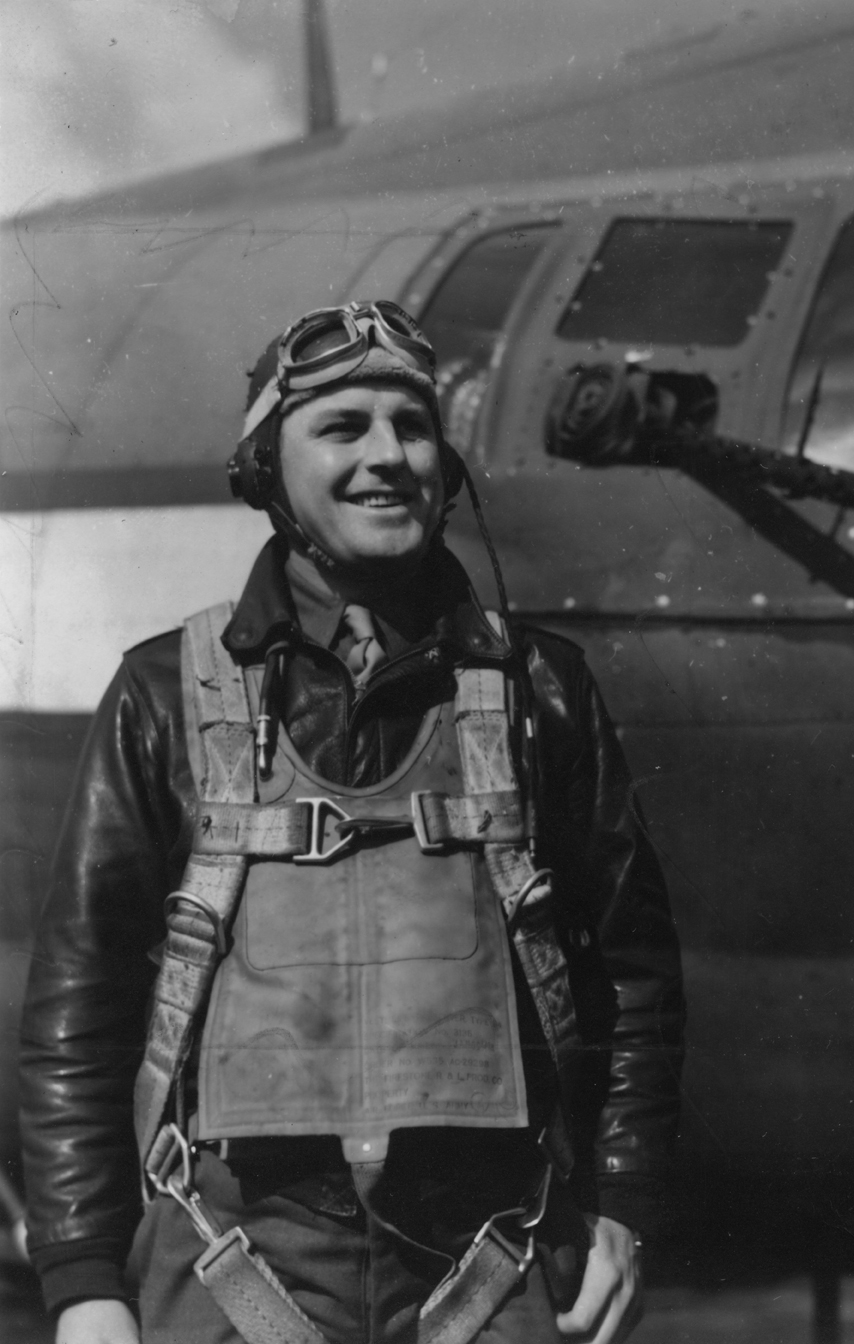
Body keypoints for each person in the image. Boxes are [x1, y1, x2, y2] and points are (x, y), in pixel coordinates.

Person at [19, 300, 685, 1344]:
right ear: (264, 472)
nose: (390, 457)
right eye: (343, 428)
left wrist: (627, 1207)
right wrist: (83, 1277)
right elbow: (80, 1006)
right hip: (232, 1249)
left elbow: (635, 979)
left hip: (494, 1253)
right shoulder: (165, 695)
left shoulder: (538, 688)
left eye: (413, 425)